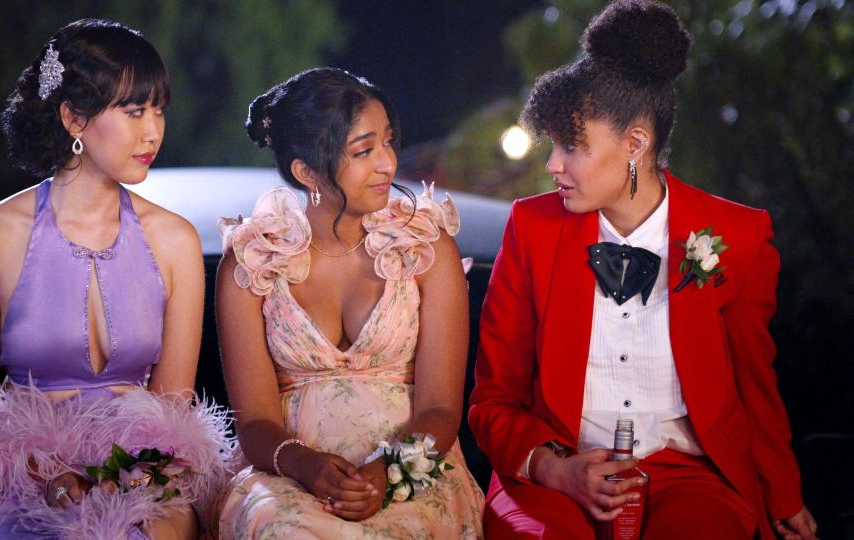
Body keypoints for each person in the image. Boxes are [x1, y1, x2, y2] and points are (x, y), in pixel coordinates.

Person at [468, 1, 817, 539]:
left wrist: (783, 492)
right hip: (556, 473)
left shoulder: (738, 236)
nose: (552, 165)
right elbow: (493, 398)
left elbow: (755, 382)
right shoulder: (531, 227)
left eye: (572, 146)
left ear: (636, 143)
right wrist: (553, 468)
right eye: (553, 144)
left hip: (688, 473)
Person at [0, 19, 233, 539]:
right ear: (73, 118)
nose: (153, 131)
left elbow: (172, 403)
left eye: (158, 110)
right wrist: (48, 475)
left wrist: (127, 478)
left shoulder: (175, 241)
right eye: (134, 110)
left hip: (146, 471)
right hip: (18, 469)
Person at [215, 67, 484, 538]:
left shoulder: (425, 247)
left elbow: (440, 409)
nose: (387, 163)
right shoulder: (253, 261)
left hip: (413, 469)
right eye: (364, 151)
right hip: (291, 476)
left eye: (388, 142)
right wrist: (309, 466)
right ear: (307, 172)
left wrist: (389, 472)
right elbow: (255, 421)